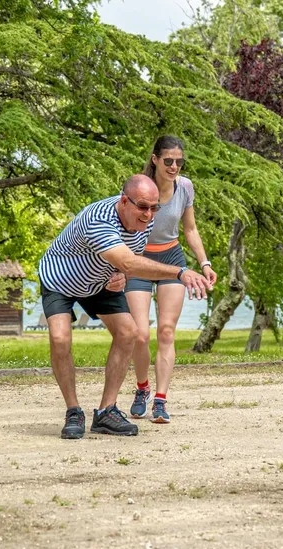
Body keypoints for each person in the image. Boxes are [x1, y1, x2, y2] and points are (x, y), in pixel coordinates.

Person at [39, 174, 211, 440]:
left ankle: (106, 411)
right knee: (60, 338)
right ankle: (74, 411)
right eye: (142, 207)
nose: (149, 214)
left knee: (129, 333)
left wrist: (123, 276)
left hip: (100, 281)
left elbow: (130, 262)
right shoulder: (98, 220)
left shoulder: (144, 220)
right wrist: (180, 273)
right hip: (62, 278)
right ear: (123, 201)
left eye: (154, 208)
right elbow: (130, 261)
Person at [125, 135, 217, 424]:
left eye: (179, 161)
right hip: (140, 261)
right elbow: (125, 226)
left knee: (166, 331)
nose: (174, 166)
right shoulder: (141, 186)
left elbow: (189, 229)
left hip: (172, 259)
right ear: (155, 159)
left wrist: (204, 263)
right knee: (140, 333)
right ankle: (143, 389)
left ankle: (161, 401)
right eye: (168, 161)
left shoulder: (185, 187)